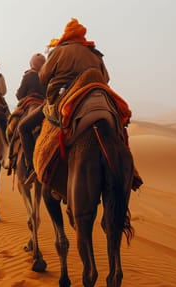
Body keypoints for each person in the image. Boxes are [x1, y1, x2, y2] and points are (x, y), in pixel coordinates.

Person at [20, 18, 110, 185]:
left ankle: (31, 167)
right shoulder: (95, 53)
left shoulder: (59, 50)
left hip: (64, 97)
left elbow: (43, 76)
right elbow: (106, 78)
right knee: (118, 125)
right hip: (97, 95)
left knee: (23, 127)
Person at [15, 53, 47, 183]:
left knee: (16, 127)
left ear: (31, 64)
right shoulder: (47, 75)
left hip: (32, 105)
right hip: (46, 106)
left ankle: (28, 164)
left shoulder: (29, 75)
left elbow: (19, 95)